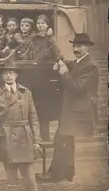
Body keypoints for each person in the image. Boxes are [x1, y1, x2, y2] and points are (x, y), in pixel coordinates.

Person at [0, 59, 49, 191]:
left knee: (30, 179)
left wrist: (37, 140)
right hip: (6, 139)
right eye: (5, 72)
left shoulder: (26, 93)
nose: (8, 75)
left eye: (12, 72)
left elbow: (34, 118)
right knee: (12, 180)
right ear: (2, 76)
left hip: (24, 139)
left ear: (16, 75)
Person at [42, 33, 99, 182]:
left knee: (62, 139)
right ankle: (67, 172)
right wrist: (60, 65)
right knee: (65, 140)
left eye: (79, 46)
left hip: (77, 111)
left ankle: (54, 175)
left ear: (87, 48)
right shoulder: (78, 62)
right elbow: (70, 66)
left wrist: (65, 73)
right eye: (74, 46)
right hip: (71, 109)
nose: (76, 49)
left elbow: (78, 87)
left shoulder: (91, 66)